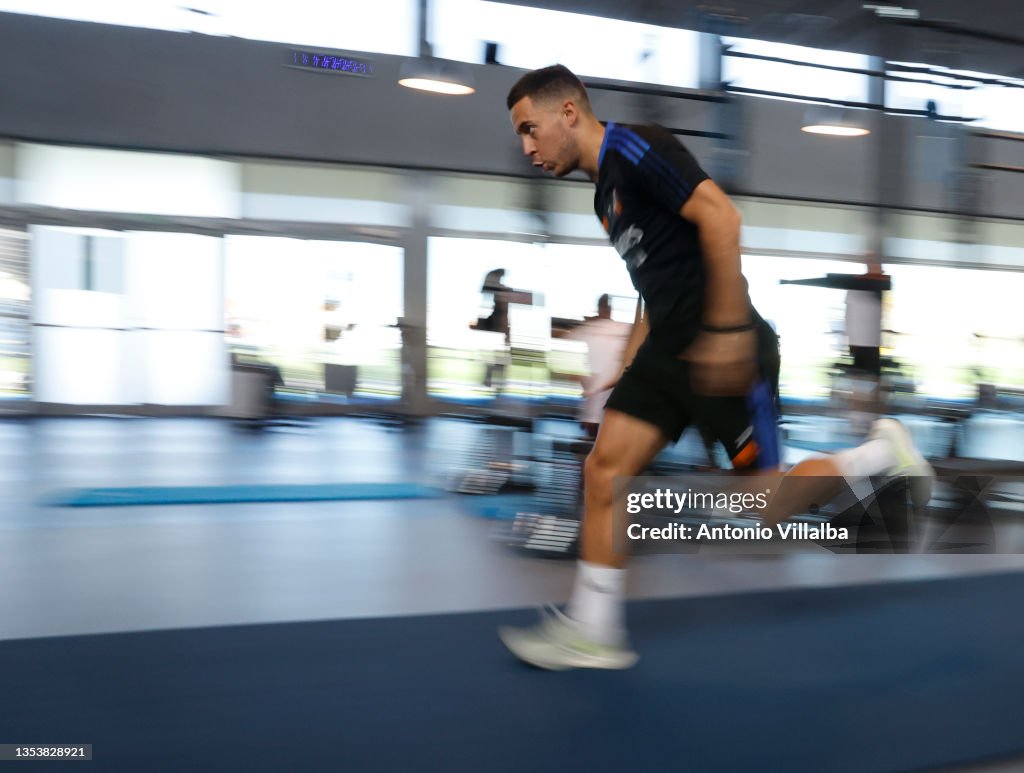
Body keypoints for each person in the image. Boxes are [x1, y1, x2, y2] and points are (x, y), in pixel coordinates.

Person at [498, 64, 934, 670]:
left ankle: (881, 455)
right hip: (668, 351)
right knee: (604, 470)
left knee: (762, 507)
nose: (527, 148)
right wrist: (631, 360)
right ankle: (593, 630)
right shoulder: (604, 195)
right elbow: (659, 277)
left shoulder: (638, 146)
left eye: (530, 129)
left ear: (568, 111)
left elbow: (723, 218)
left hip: (728, 342)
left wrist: (727, 331)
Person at [565, 294, 632, 439]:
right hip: (612, 409)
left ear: (599, 308)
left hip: (593, 409)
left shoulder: (584, 331)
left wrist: (586, 385)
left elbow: (570, 369)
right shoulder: (624, 330)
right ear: (610, 309)